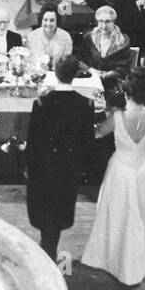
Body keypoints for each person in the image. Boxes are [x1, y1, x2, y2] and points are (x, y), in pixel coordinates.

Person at [83, 68, 145, 286]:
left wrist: (102, 115)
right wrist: (142, 158)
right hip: (143, 168)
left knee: (117, 214)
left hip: (121, 169)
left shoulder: (118, 117)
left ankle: (115, 260)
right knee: (141, 213)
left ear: (127, 92)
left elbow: (97, 133)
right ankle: (140, 256)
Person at [25, 54, 92, 260]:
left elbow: (33, 139)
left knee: (45, 207)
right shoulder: (85, 104)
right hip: (68, 166)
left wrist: (28, 165)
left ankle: (48, 246)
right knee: (60, 206)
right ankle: (50, 245)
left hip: (44, 166)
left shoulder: (42, 103)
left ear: (55, 73)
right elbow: (87, 140)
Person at [78, 5, 133, 78]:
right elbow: (81, 61)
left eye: (107, 22)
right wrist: (92, 71)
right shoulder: (88, 38)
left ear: (114, 22)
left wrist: (107, 75)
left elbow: (124, 69)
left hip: (113, 81)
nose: (104, 26)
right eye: (100, 21)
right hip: (90, 78)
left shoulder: (123, 41)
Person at [28, 2, 73, 71]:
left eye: (52, 20)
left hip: (60, 74)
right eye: (45, 20)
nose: (48, 23)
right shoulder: (32, 36)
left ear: (57, 21)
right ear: (41, 20)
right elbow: (29, 62)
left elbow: (66, 63)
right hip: (38, 75)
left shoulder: (66, 37)